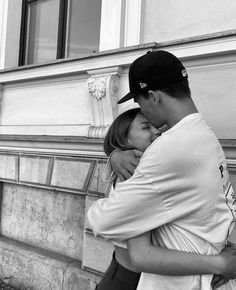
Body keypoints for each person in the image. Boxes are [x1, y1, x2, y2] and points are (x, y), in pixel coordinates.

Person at [87, 50, 236, 289]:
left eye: (139, 101)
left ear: (154, 96)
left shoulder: (170, 147)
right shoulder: (204, 136)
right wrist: (115, 154)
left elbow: (104, 221)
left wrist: (95, 210)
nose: (141, 108)